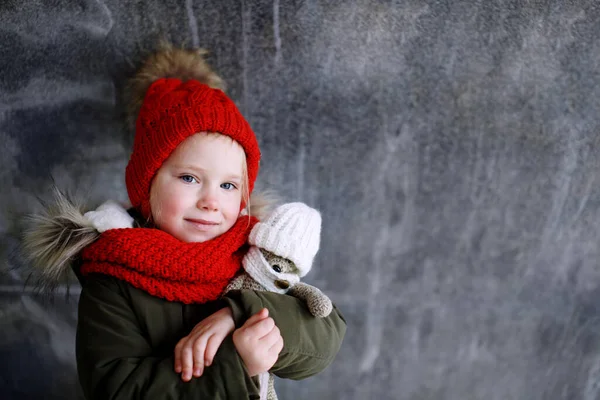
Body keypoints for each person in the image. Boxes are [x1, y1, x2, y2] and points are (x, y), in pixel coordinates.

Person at [23, 43, 346, 399]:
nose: (210, 201)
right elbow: (115, 388)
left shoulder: (253, 254)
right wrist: (236, 364)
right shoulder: (113, 274)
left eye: (228, 185)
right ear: (146, 187)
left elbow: (323, 334)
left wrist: (238, 314)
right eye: (189, 178)